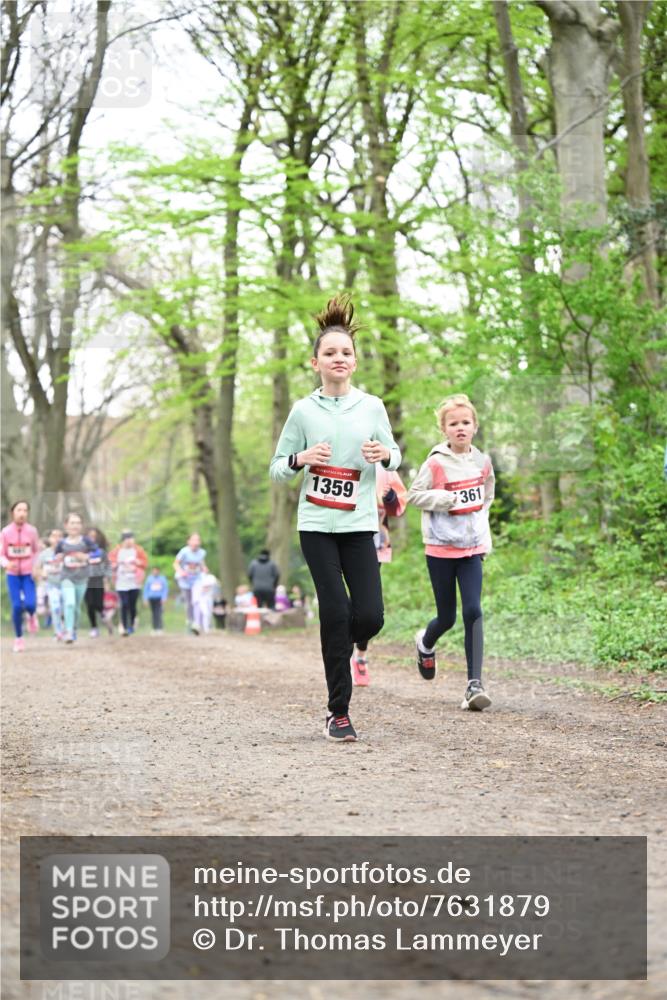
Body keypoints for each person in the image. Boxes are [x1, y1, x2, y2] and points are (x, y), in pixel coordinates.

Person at [270, 293, 401, 742]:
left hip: (359, 525)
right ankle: (338, 711)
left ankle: (353, 643)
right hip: (316, 527)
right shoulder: (303, 411)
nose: (339, 358)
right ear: (315, 363)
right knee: (334, 612)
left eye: (346, 352)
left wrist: (385, 453)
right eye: (330, 353)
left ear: (355, 361)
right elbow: (276, 469)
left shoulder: (372, 407)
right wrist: (300, 458)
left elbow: (396, 454)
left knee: (369, 616)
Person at [407, 393, 495, 711]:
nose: (460, 428)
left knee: (473, 611)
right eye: (453, 423)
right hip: (441, 548)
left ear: (474, 426)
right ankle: (425, 642)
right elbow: (413, 496)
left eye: (466, 422)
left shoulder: (482, 462)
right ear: (444, 429)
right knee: (447, 616)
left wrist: (482, 535)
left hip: (472, 548)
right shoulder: (435, 463)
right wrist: (442, 500)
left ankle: (474, 685)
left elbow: (486, 497)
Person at [351, 464, 407, 687]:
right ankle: (341, 651)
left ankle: (361, 656)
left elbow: (399, 507)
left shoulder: (385, 469)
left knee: (366, 606)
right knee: (346, 601)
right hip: (342, 540)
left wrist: (391, 498)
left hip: (375, 546)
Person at [0, 500, 40, 652]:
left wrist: (36, 566)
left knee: (30, 604)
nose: (22, 513)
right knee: (16, 606)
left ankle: (31, 615)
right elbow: (1, 554)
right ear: (13, 512)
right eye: (19, 510)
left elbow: (36, 551)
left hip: (28, 573)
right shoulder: (5, 532)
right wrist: (6, 564)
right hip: (12, 574)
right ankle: (19, 638)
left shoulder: (32, 531)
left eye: (25, 510)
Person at [55, 512, 96, 644]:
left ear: (81, 526)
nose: (75, 526)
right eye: (72, 523)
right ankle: (69, 632)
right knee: (70, 603)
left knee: (77, 606)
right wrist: (58, 558)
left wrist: (87, 556)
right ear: (66, 525)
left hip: (82, 578)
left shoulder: (86, 541)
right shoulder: (62, 543)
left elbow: (98, 552)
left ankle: (74, 628)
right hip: (66, 577)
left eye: (78, 523)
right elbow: (56, 556)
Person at [109, 530, 148, 636]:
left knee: (132, 604)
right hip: (121, 582)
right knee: (124, 603)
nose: (130, 541)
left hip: (135, 582)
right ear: (123, 540)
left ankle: (132, 623)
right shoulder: (117, 551)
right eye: (127, 539)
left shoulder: (138, 550)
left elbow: (145, 563)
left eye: (131, 538)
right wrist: (115, 565)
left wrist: (138, 562)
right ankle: (124, 626)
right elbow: (110, 562)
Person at [173, 533, 207, 631]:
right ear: (189, 541)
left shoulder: (202, 552)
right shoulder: (184, 552)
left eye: (198, 540)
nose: (196, 542)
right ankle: (189, 620)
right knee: (189, 602)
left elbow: (201, 563)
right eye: (193, 540)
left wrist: (204, 568)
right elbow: (175, 563)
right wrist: (181, 571)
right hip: (185, 580)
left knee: (196, 600)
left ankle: (196, 623)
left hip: (196, 579)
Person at [36, 528, 64, 640]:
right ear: (50, 539)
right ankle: (58, 632)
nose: (56, 538)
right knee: (55, 607)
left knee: (67, 607)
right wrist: (41, 573)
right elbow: (36, 569)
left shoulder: (67, 552)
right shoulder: (44, 554)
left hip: (66, 585)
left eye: (59, 536)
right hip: (51, 585)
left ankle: (68, 629)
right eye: (54, 536)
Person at [84, 526, 110, 637]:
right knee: (90, 604)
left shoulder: (101, 552)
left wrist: (106, 579)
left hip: (98, 579)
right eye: (90, 536)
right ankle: (94, 627)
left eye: (94, 536)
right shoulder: (83, 552)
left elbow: (107, 566)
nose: (92, 538)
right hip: (86, 580)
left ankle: (103, 614)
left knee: (98, 604)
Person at [143, 567, 169, 633]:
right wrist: (145, 598)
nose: (155, 572)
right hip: (152, 598)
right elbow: (146, 589)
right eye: (154, 571)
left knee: (159, 613)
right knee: (153, 613)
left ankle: (160, 628)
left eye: (156, 571)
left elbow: (165, 589)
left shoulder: (162, 579)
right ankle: (154, 628)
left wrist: (164, 597)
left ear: (158, 571)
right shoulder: (149, 579)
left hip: (159, 598)